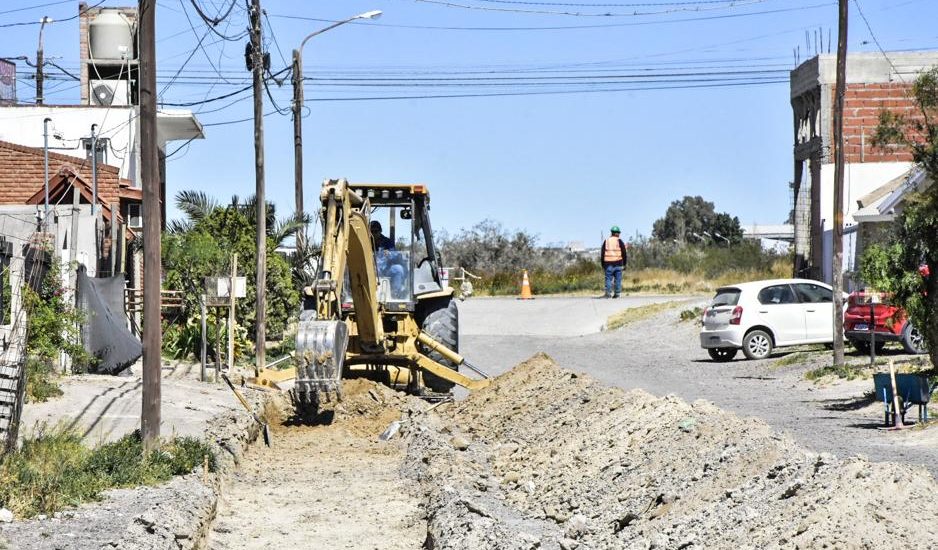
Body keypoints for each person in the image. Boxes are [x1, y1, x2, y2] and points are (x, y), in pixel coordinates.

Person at [370, 220, 406, 296]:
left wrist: (389, 254)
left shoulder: (387, 242)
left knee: (398, 269)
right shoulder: (366, 242)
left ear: (380, 231)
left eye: (376, 231)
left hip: (385, 269)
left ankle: (396, 293)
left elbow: (395, 255)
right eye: (371, 231)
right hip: (370, 270)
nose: (374, 234)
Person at [600, 225, 627, 298]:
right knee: (618, 280)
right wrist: (624, 264)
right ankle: (617, 294)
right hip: (618, 264)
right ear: (617, 233)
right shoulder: (619, 241)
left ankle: (608, 294)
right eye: (619, 233)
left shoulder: (606, 241)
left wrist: (602, 264)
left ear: (611, 233)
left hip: (608, 264)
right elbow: (624, 253)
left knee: (608, 279)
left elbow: (602, 253)